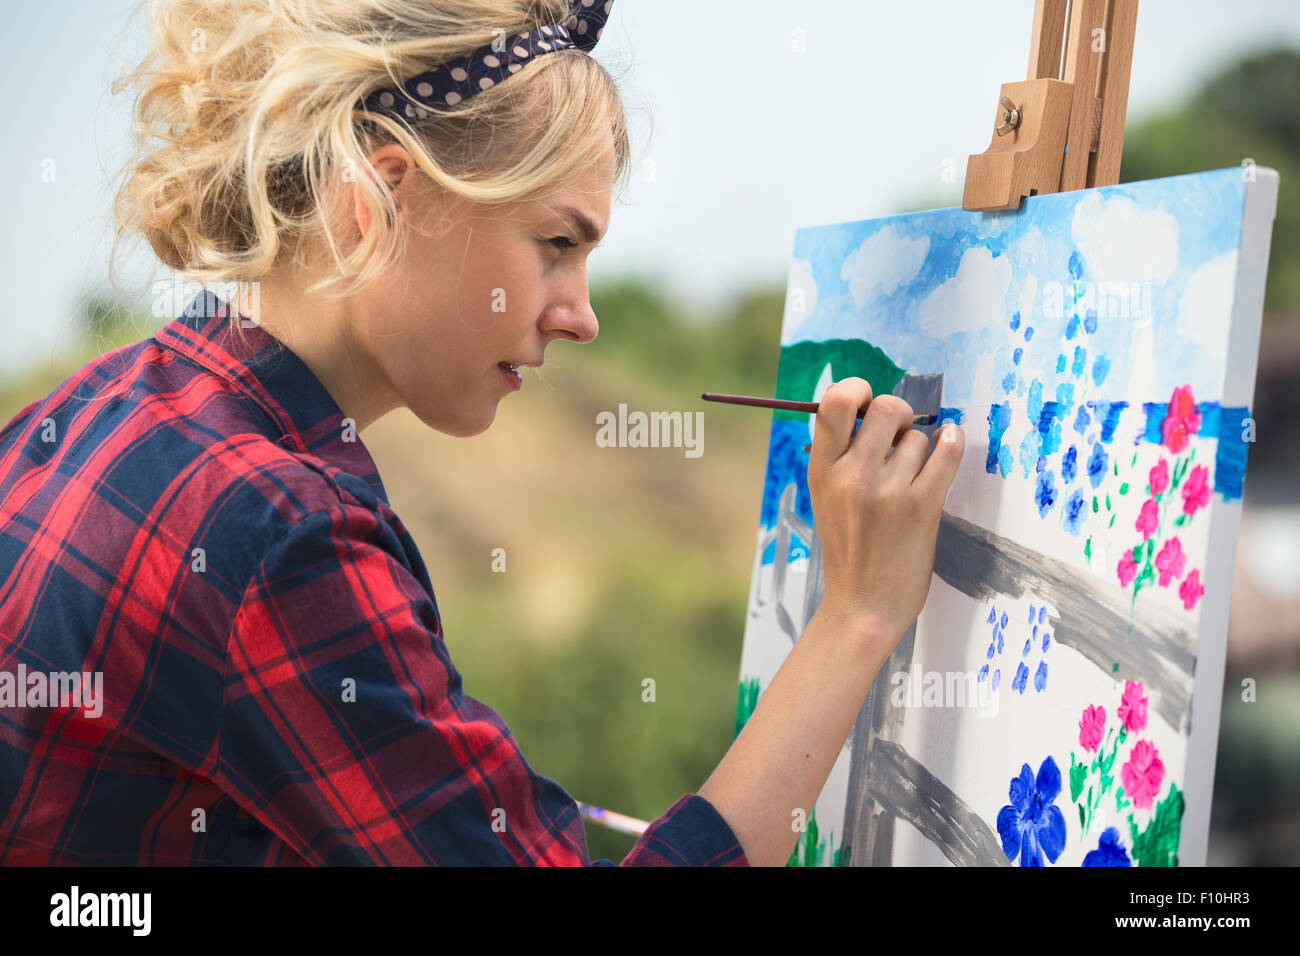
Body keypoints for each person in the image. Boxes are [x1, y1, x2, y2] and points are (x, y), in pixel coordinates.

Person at [0, 0, 964, 866]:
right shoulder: (279, 539)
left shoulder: (73, 417)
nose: (581, 316)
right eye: (556, 244)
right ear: (383, 196)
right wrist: (855, 619)